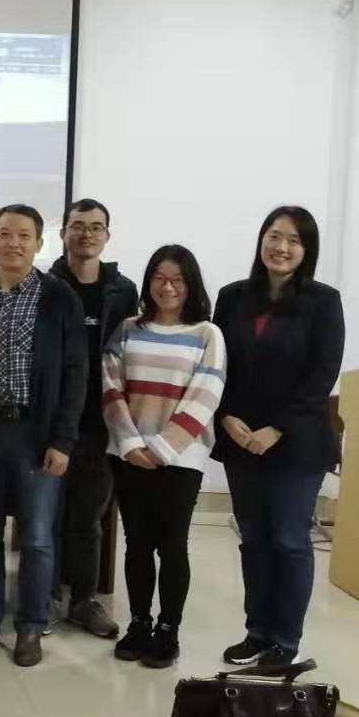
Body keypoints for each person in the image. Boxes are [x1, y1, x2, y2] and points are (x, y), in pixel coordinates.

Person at [0, 204, 87, 667]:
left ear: (39, 243)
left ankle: (30, 625)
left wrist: (63, 441)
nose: (14, 243)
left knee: (36, 538)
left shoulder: (60, 298)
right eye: (5, 234)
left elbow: (76, 373)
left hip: (37, 432)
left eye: (24, 235)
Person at [213, 206, 344, 673]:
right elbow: (217, 364)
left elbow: (322, 374)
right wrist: (226, 415)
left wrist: (277, 428)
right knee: (253, 537)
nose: (281, 247)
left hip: (298, 442)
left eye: (293, 240)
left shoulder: (323, 302)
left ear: (307, 250)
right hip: (240, 437)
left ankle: (285, 640)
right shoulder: (232, 297)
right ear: (261, 240)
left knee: (288, 539)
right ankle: (257, 632)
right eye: (274, 236)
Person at [102, 245, 226, 669]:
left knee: (172, 545)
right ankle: (139, 623)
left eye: (177, 280)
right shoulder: (127, 329)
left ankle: (168, 628)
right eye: (159, 277)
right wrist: (131, 444)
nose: (167, 287)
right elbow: (111, 388)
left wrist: (161, 449)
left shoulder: (207, 334)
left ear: (190, 285)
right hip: (128, 453)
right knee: (137, 544)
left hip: (182, 458)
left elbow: (206, 394)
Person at [46, 198, 139, 640]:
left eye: (96, 227)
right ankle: (44, 599)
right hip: (50, 422)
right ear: (62, 232)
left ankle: (83, 601)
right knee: (45, 517)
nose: (86, 234)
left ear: (107, 235)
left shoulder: (123, 290)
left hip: (101, 421)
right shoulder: (43, 285)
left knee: (88, 517)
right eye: (78, 226)